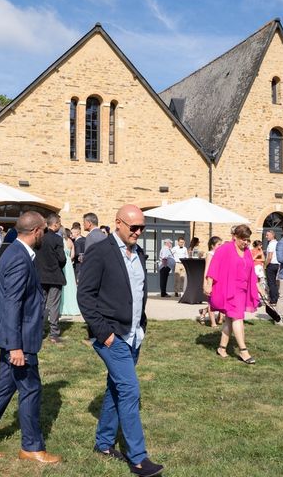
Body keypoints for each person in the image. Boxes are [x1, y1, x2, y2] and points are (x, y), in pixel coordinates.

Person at [0, 211, 62, 464]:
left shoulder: (15, 252)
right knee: (31, 389)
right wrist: (15, 347)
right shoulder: (19, 257)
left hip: (15, 336)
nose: (46, 235)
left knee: (4, 388)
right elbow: (11, 304)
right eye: (44, 231)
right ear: (37, 231)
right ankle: (31, 447)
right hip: (19, 338)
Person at [77, 204, 165, 477]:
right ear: (118, 223)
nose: (138, 232)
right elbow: (85, 296)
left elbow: (136, 293)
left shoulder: (138, 253)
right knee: (129, 390)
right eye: (133, 227)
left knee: (116, 389)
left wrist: (141, 327)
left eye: (142, 227)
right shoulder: (100, 251)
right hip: (111, 337)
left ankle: (103, 443)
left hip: (134, 334)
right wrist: (105, 333)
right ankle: (138, 457)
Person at [204, 224, 259, 364]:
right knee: (237, 318)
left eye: (248, 240)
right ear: (235, 237)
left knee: (230, 318)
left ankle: (222, 348)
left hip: (241, 290)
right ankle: (243, 351)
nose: (246, 243)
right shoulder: (225, 249)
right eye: (243, 239)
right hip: (228, 288)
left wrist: (257, 288)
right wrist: (209, 284)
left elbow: (250, 270)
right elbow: (213, 266)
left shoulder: (246, 251)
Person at [34, 213, 67, 344]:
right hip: (54, 275)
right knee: (54, 305)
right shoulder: (57, 239)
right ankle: (54, 333)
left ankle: (39, 330)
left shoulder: (39, 238)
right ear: (55, 224)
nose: (60, 226)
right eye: (59, 223)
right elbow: (62, 259)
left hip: (41, 275)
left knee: (41, 304)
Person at [197, 236, 223, 327]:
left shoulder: (221, 254)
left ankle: (204, 311)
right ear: (212, 246)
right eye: (219, 244)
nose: (221, 246)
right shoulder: (210, 254)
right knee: (211, 301)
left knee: (220, 301)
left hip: (220, 280)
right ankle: (213, 323)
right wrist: (206, 283)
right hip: (212, 280)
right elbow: (207, 269)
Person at [60, 228, 80, 315]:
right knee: (70, 285)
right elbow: (72, 256)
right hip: (68, 264)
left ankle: (63, 307)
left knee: (63, 286)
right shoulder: (71, 242)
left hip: (62, 264)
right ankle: (73, 306)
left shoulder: (60, 242)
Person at [264, 230, 280, 308]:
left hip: (271, 264)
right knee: (275, 283)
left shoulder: (271, 244)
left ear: (273, 235)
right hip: (277, 264)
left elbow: (269, 257)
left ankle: (273, 299)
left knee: (271, 283)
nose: (266, 237)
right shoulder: (277, 243)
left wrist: (265, 265)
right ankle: (276, 297)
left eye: (268, 235)